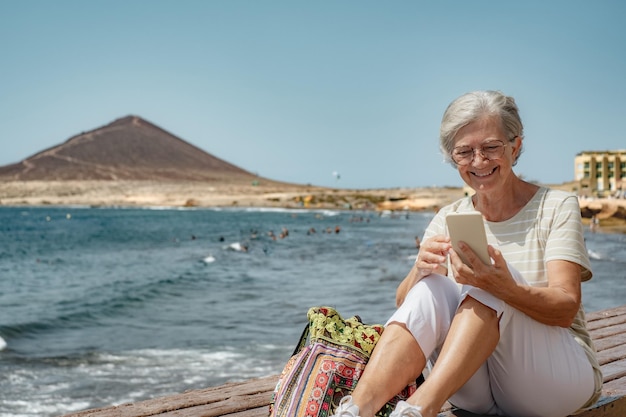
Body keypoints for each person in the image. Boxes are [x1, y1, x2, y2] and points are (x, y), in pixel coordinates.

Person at [331, 91, 601, 417]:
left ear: (515, 147)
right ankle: (356, 410)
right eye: (464, 152)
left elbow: (565, 310)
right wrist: (420, 270)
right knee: (433, 286)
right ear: (452, 157)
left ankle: (419, 408)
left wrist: (504, 287)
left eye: (490, 147)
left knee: (487, 280)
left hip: (552, 382)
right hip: (474, 387)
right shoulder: (450, 217)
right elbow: (407, 306)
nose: (479, 161)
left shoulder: (556, 206)